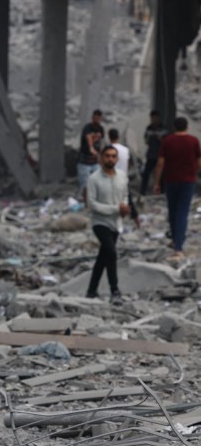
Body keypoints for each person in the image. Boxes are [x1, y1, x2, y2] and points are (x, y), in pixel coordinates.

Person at [85, 145, 133, 305]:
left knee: (103, 257)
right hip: (100, 222)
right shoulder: (94, 179)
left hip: (116, 223)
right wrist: (115, 209)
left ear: (117, 159)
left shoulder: (121, 176)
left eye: (113, 156)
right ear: (101, 158)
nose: (110, 159)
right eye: (107, 156)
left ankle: (91, 290)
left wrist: (125, 207)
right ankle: (115, 290)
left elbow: (125, 195)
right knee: (111, 253)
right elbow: (92, 204)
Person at [153, 117, 201, 260]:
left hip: (171, 181)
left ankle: (176, 242)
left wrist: (156, 182)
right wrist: (194, 172)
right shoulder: (193, 141)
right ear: (187, 127)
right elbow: (199, 161)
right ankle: (178, 245)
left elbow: (160, 163)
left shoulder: (167, 141)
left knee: (173, 211)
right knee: (182, 212)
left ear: (174, 127)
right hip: (187, 181)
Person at [109, 128, 140, 229]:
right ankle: (137, 222)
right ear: (117, 136)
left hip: (111, 179)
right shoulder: (125, 150)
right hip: (123, 179)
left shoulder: (108, 150)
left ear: (109, 137)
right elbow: (129, 164)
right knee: (129, 200)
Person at [77, 109, 105, 200]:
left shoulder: (101, 129)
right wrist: (93, 150)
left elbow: (101, 143)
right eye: (96, 118)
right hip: (84, 161)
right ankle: (82, 200)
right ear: (93, 118)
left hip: (95, 161)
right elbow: (89, 141)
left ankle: (94, 200)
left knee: (98, 181)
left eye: (99, 118)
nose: (98, 120)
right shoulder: (87, 128)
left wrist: (101, 155)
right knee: (84, 183)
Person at [140, 110, 166, 195]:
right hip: (151, 154)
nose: (154, 119)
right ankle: (142, 192)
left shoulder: (163, 128)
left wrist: (159, 136)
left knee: (162, 174)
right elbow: (146, 141)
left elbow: (166, 142)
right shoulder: (149, 128)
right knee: (146, 173)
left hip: (160, 155)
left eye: (155, 118)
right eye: (152, 118)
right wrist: (150, 136)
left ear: (158, 118)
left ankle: (162, 192)